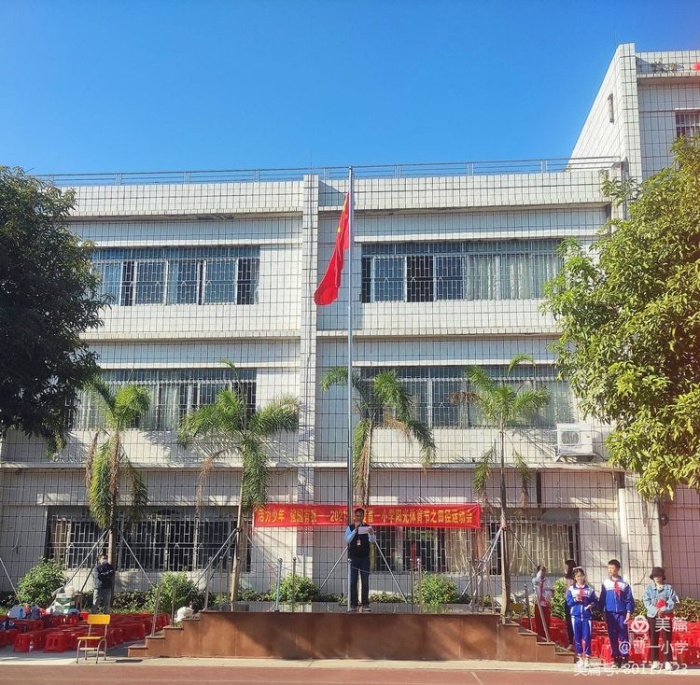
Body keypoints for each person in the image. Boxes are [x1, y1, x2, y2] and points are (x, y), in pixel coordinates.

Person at [598, 558, 634, 668]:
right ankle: (616, 658)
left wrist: (628, 611)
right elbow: (602, 598)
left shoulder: (624, 584)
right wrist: (602, 611)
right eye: (609, 568)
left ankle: (625, 657)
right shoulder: (606, 583)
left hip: (622, 613)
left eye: (612, 568)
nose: (610, 570)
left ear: (617, 569)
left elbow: (629, 599)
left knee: (623, 636)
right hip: (610, 613)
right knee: (612, 636)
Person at [643, 566, 678, 672]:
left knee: (666, 639)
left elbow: (673, 601)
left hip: (665, 616)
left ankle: (667, 661)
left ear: (662, 576)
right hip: (653, 617)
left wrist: (663, 609)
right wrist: (656, 610)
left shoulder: (669, 588)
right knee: (654, 638)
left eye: (658, 575)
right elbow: (646, 601)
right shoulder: (649, 589)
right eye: (655, 576)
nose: (657, 578)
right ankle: (655, 661)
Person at [344, 507, 376, 613]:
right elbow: (347, 540)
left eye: (361, 516)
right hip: (353, 558)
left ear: (363, 516)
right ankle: (353, 603)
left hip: (364, 558)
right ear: (355, 516)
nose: (359, 517)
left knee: (365, 580)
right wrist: (355, 530)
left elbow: (372, 541)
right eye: (357, 516)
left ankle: (365, 603)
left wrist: (371, 533)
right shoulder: (350, 527)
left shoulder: (367, 527)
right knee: (353, 581)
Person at [566, 566, 597, 669]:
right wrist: (575, 599)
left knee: (587, 637)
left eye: (581, 576)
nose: (579, 578)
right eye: (577, 576)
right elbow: (569, 602)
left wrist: (591, 605)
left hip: (587, 617)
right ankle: (580, 658)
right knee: (577, 638)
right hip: (575, 616)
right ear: (575, 578)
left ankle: (587, 658)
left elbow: (595, 601)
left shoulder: (589, 589)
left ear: (584, 576)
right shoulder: (571, 589)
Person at [532, 564, 553, 640]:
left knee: (546, 622)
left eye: (544, 571)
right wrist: (538, 578)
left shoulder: (548, 581)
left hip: (545, 604)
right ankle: (539, 638)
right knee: (538, 622)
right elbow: (536, 591)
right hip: (538, 604)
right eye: (541, 571)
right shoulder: (535, 580)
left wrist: (545, 598)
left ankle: (546, 638)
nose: (543, 572)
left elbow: (550, 592)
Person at [564, 558, 577, 650]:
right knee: (569, 622)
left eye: (566, 566)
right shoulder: (567, 578)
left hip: (574, 602)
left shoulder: (575, 579)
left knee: (574, 621)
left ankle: (576, 641)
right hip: (568, 601)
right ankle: (571, 642)